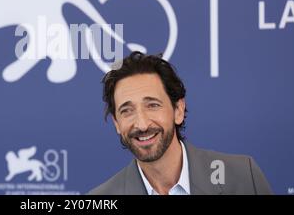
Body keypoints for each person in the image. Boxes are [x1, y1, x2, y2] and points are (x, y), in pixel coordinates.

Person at [88, 51, 272, 195]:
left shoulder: (242, 175)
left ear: (178, 110)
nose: (142, 124)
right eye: (126, 111)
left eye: (152, 105)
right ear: (116, 124)